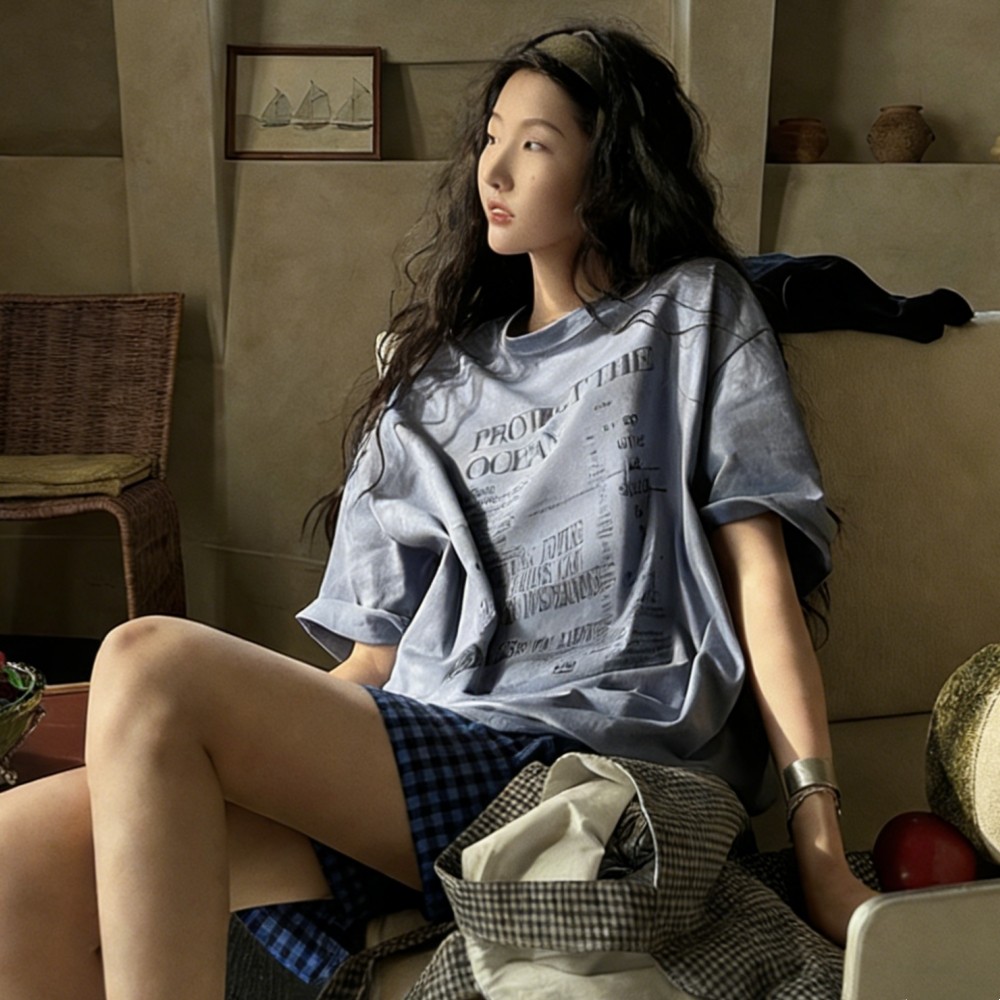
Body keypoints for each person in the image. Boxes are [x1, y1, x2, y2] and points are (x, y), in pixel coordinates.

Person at [0, 22, 875, 1000]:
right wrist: (211, 747)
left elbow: (759, 582)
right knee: (15, 855)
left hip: (584, 760)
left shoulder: (692, 313)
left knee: (144, 655)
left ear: (612, 169)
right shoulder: (431, 385)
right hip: (431, 750)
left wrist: (818, 840)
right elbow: (372, 664)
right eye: (490, 138)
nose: (493, 170)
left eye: (534, 144)